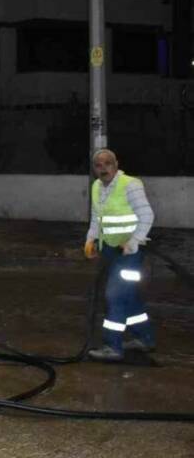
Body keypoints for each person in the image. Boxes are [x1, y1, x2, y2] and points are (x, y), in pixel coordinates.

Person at [84, 149, 156, 361]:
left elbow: (147, 215)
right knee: (129, 297)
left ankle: (112, 346)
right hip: (109, 250)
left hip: (129, 253)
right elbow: (97, 218)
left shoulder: (130, 185)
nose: (103, 168)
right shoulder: (97, 186)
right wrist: (91, 239)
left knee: (114, 295)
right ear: (94, 168)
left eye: (108, 163)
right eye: (98, 164)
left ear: (116, 164)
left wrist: (134, 241)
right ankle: (144, 338)